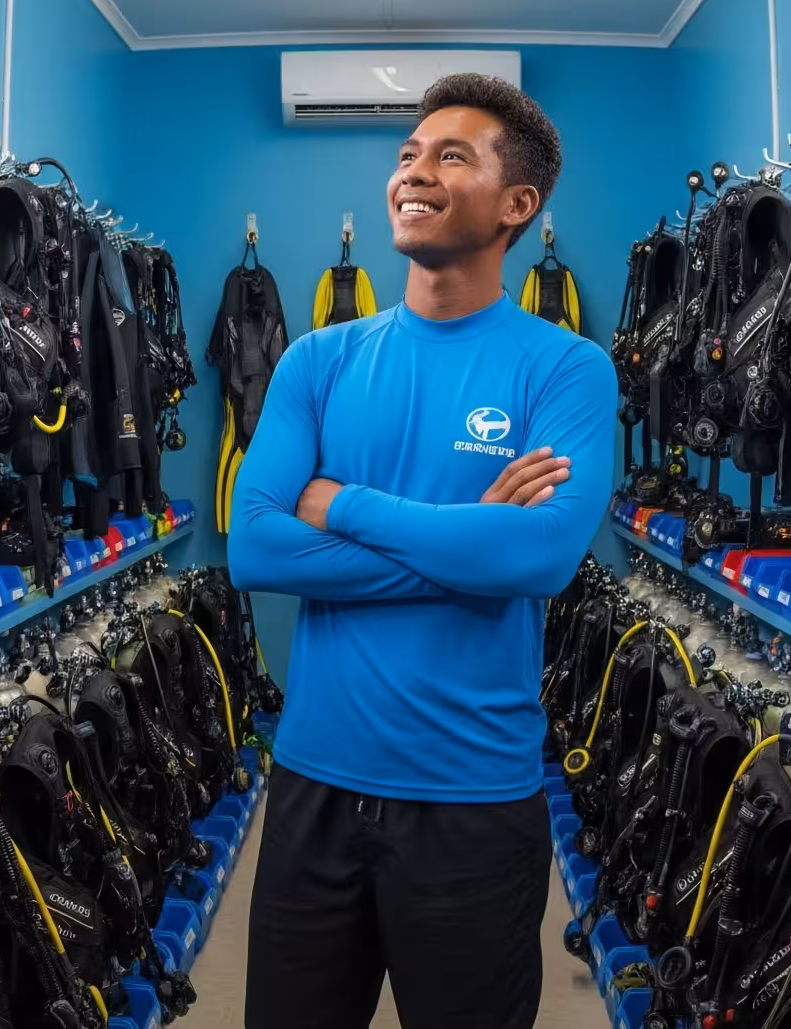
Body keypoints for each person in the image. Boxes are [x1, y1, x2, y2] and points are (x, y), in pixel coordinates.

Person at [228, 73, 616, 1029]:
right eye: (408, 154)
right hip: (314, 784)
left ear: (518, 204)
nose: (414, 172)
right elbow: (256, 546)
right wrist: (468, 543)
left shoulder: (567, 368)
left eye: (451, 156)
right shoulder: (317, 360)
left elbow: (541, 558)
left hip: (473, 800)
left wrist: (342, 503)